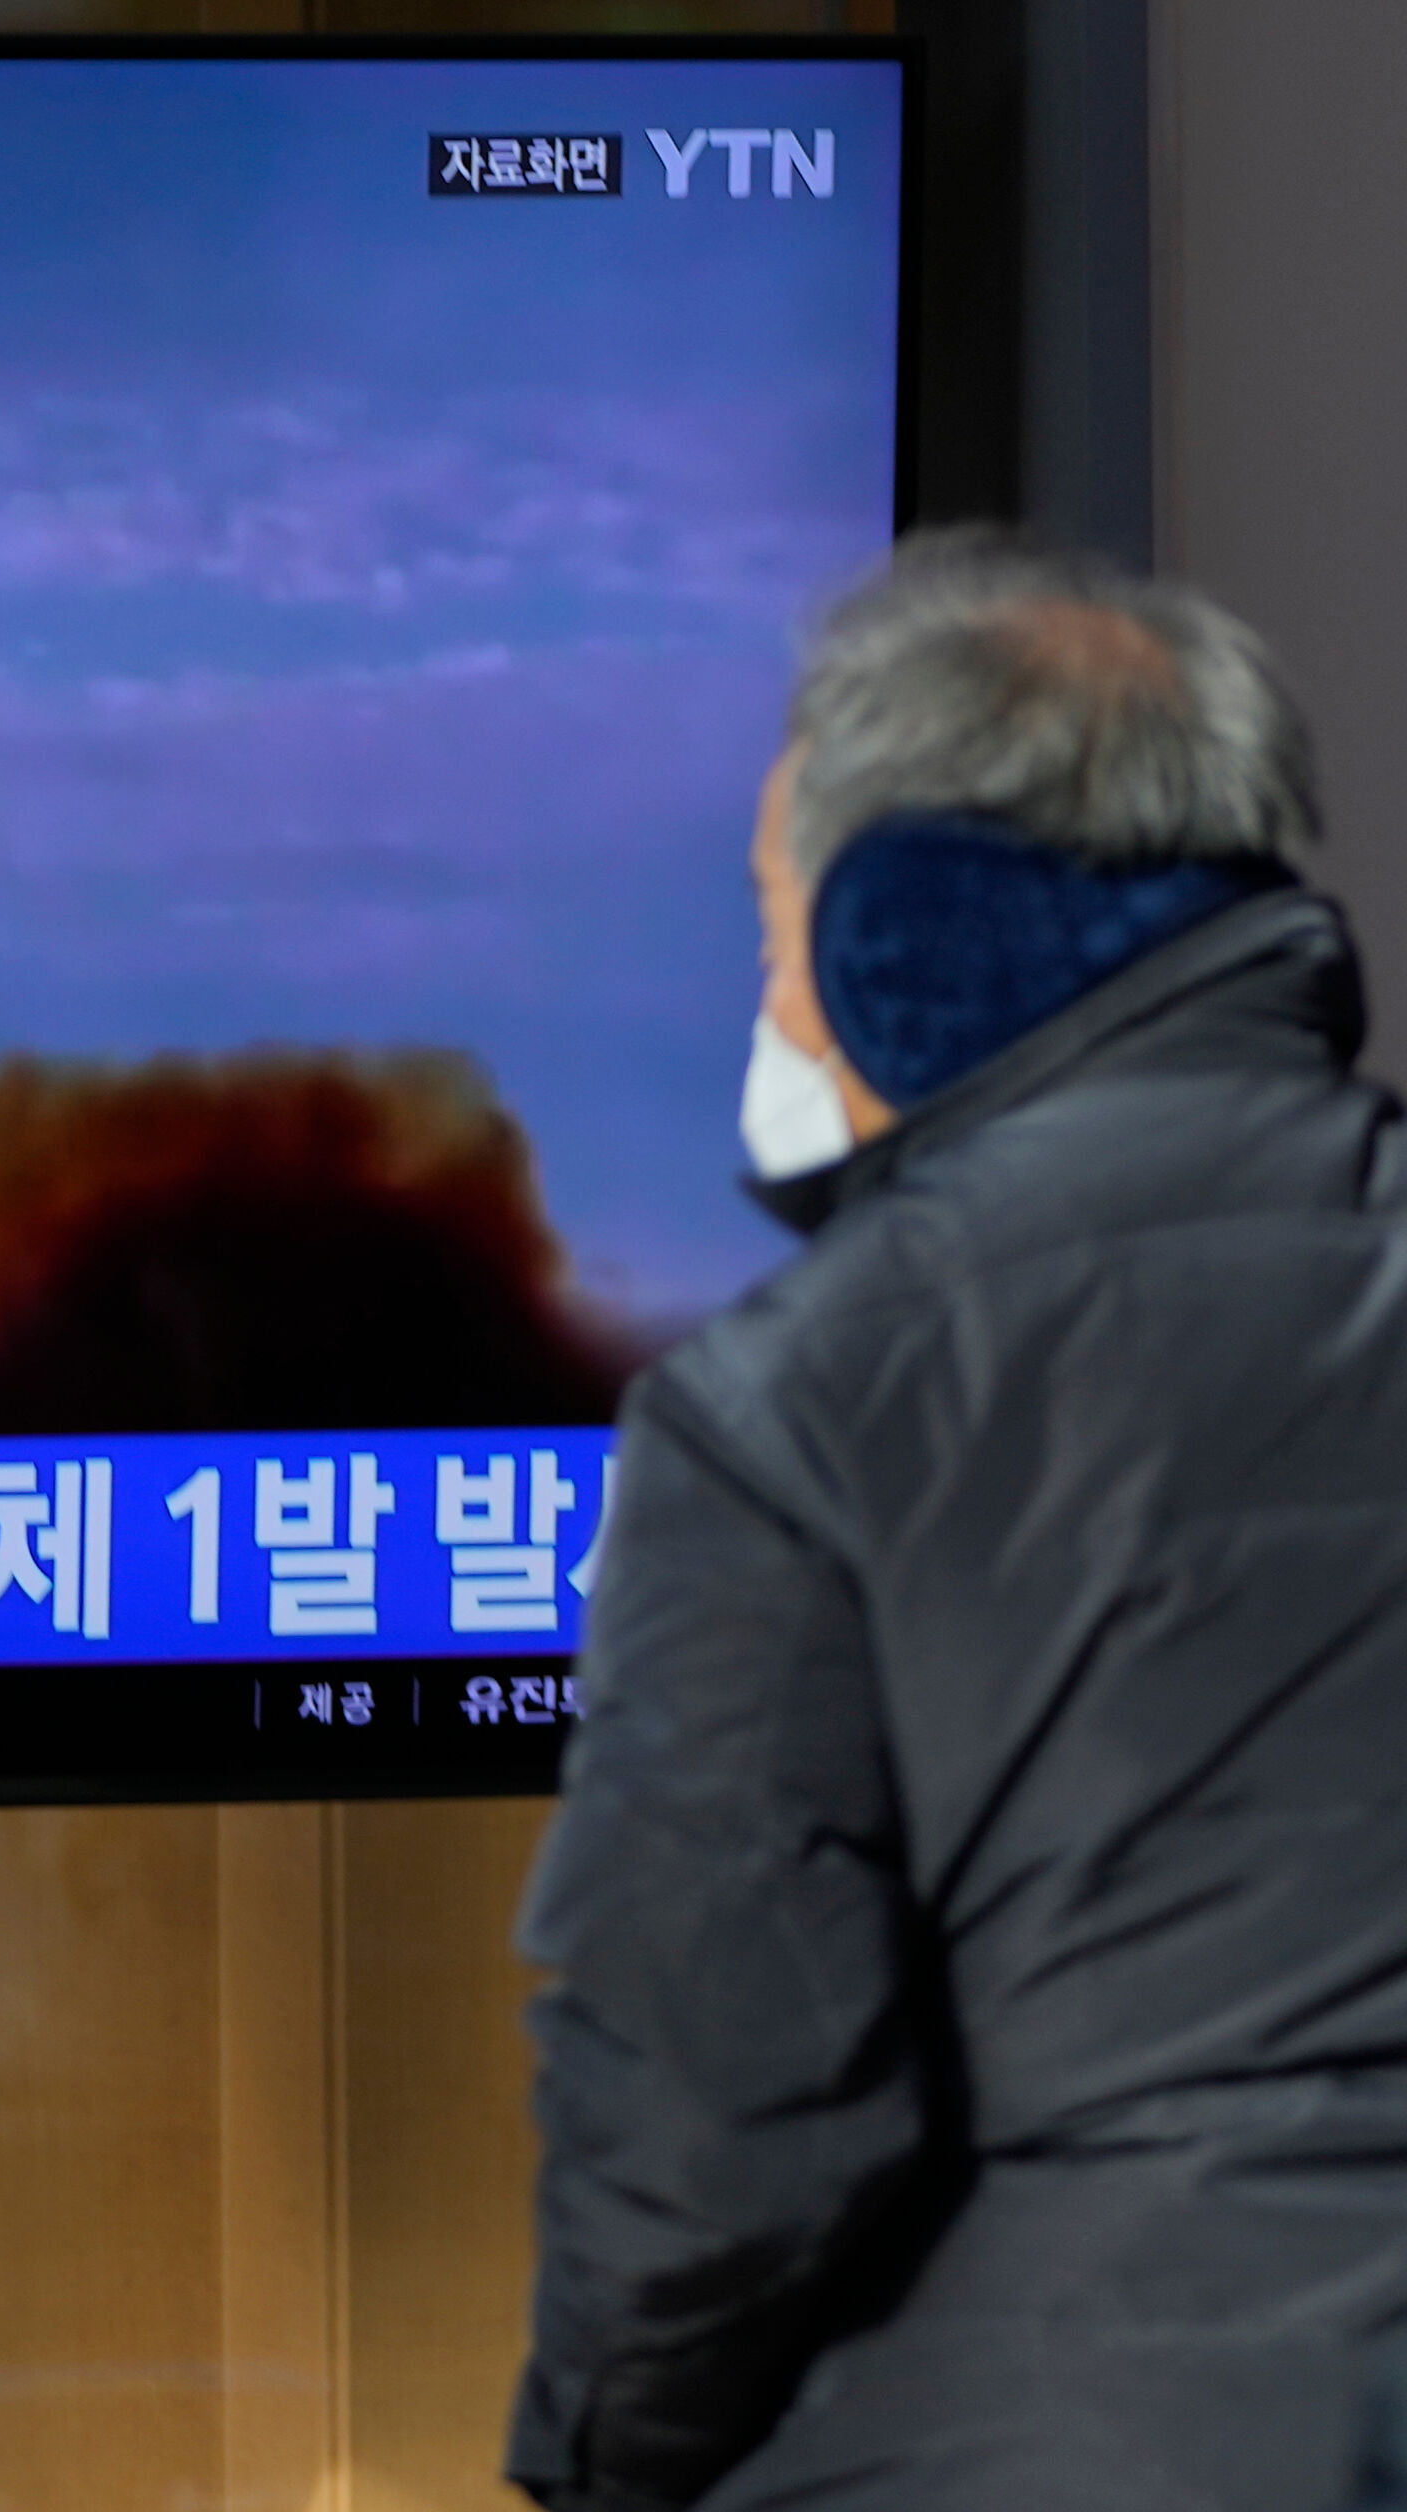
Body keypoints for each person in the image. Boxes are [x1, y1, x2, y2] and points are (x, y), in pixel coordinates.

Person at [509, 533, 1407, 2512]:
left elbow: (711, 2132)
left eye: (780, 934)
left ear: (907, 930)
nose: (776, 1005)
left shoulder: (797, 1407)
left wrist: (600, 2466)